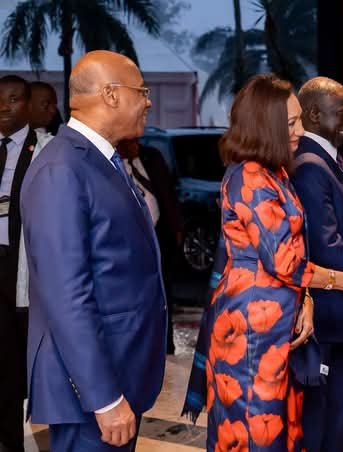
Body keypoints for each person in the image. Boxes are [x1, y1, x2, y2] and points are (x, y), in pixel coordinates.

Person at [204, 73, 343, 452]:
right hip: (251, 333)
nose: (300, 130)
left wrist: (307, 299)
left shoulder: (275, 172)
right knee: (256, 437)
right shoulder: (250, 178)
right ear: (265, 125)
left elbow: (295, 252)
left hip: (278, 327)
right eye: (291, 123)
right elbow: (287, 262)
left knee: (286, 435)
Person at [20, 50, 166, 451]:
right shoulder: (62, 169)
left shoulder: (102, 161)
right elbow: (66, 294)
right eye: (142, 92)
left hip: (119, 370)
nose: (148, 102)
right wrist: (104, 397)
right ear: (111, 94)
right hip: (91, 389)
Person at [291, 76, 343, 452]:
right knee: (322, 420)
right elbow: (326, 243)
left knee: (339, 411)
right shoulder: (309, 164)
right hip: (325, 314)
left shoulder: (331, 159)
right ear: (314, 114)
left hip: (339, 314)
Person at [0, 74, 39, 452]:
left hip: (18, 264)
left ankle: (12, 440)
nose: (3, 107)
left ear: (27, 105)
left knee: (13, 359)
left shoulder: (43, 149)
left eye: (12, 99)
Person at [117, 138, 183, 354]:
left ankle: (166, 346)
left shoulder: (152, 157)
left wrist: (176, 228)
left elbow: (169, 194)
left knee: (162, 295)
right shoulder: (111, 163)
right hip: (129, 241)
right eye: (128, 141)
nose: (133, 144)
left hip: (159, 237)